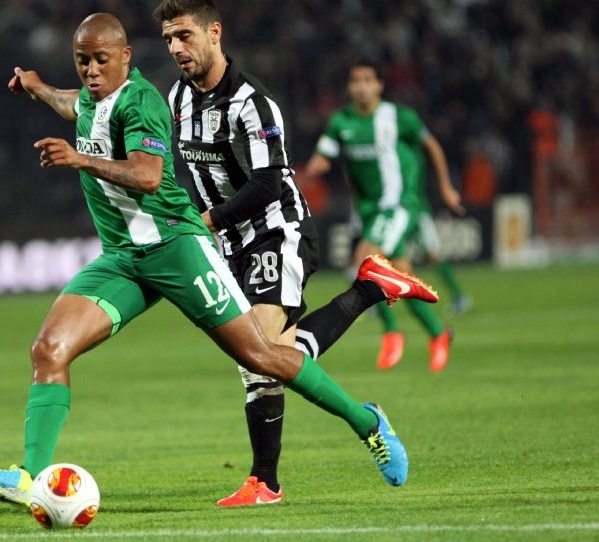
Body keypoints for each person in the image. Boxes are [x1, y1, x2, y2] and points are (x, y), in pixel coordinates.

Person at [0, 13, 432, 509]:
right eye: (83, 61)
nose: (91, 71)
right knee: (48, 350)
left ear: (125, 57)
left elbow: (148, 176)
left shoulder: (146, 102)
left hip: (179, 246)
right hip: (122, 258)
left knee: (261, 358)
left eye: (101, 60)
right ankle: (28, 477)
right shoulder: (111, 98)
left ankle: (367, 423)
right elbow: (74, 104)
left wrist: (80, 159)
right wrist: (37, 88)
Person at [154, 0, 435, 507]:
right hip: (229, 243)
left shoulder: (252, 103)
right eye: (169, 39)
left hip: (275, 229)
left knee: (258, 357)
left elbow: (267, 182)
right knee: (273, 356)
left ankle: (268, 480)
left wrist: (207, 220)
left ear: (214, 32)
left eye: (184, 35)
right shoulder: (177, 97)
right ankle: (370, 290)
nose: (176, 48)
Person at [306, 60, 463, 372]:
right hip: (367, 210)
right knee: (400, 274)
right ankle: (438, 333)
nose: (362, 87)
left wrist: (446, 187)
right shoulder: (341, 121)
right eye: (356, 81)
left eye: (368, 80)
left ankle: (392, 331)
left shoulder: (400, 117)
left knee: (365, 261)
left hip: (399, 203)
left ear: (379, 85)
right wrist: (315, 166)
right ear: (349, 87)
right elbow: (324, 154)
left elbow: (432, 146)